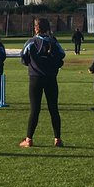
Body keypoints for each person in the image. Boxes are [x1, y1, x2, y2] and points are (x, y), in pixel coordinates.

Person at [19, 17, 64, 148]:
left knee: (35, 109)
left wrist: (32, 63)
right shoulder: (53, 42)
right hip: (51, 78)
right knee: (53, 108)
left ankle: (29, 139)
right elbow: (62, 55)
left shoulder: (31, 42)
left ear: (36, 27)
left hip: (35, 78)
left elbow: (23, 58)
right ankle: (58, 139)